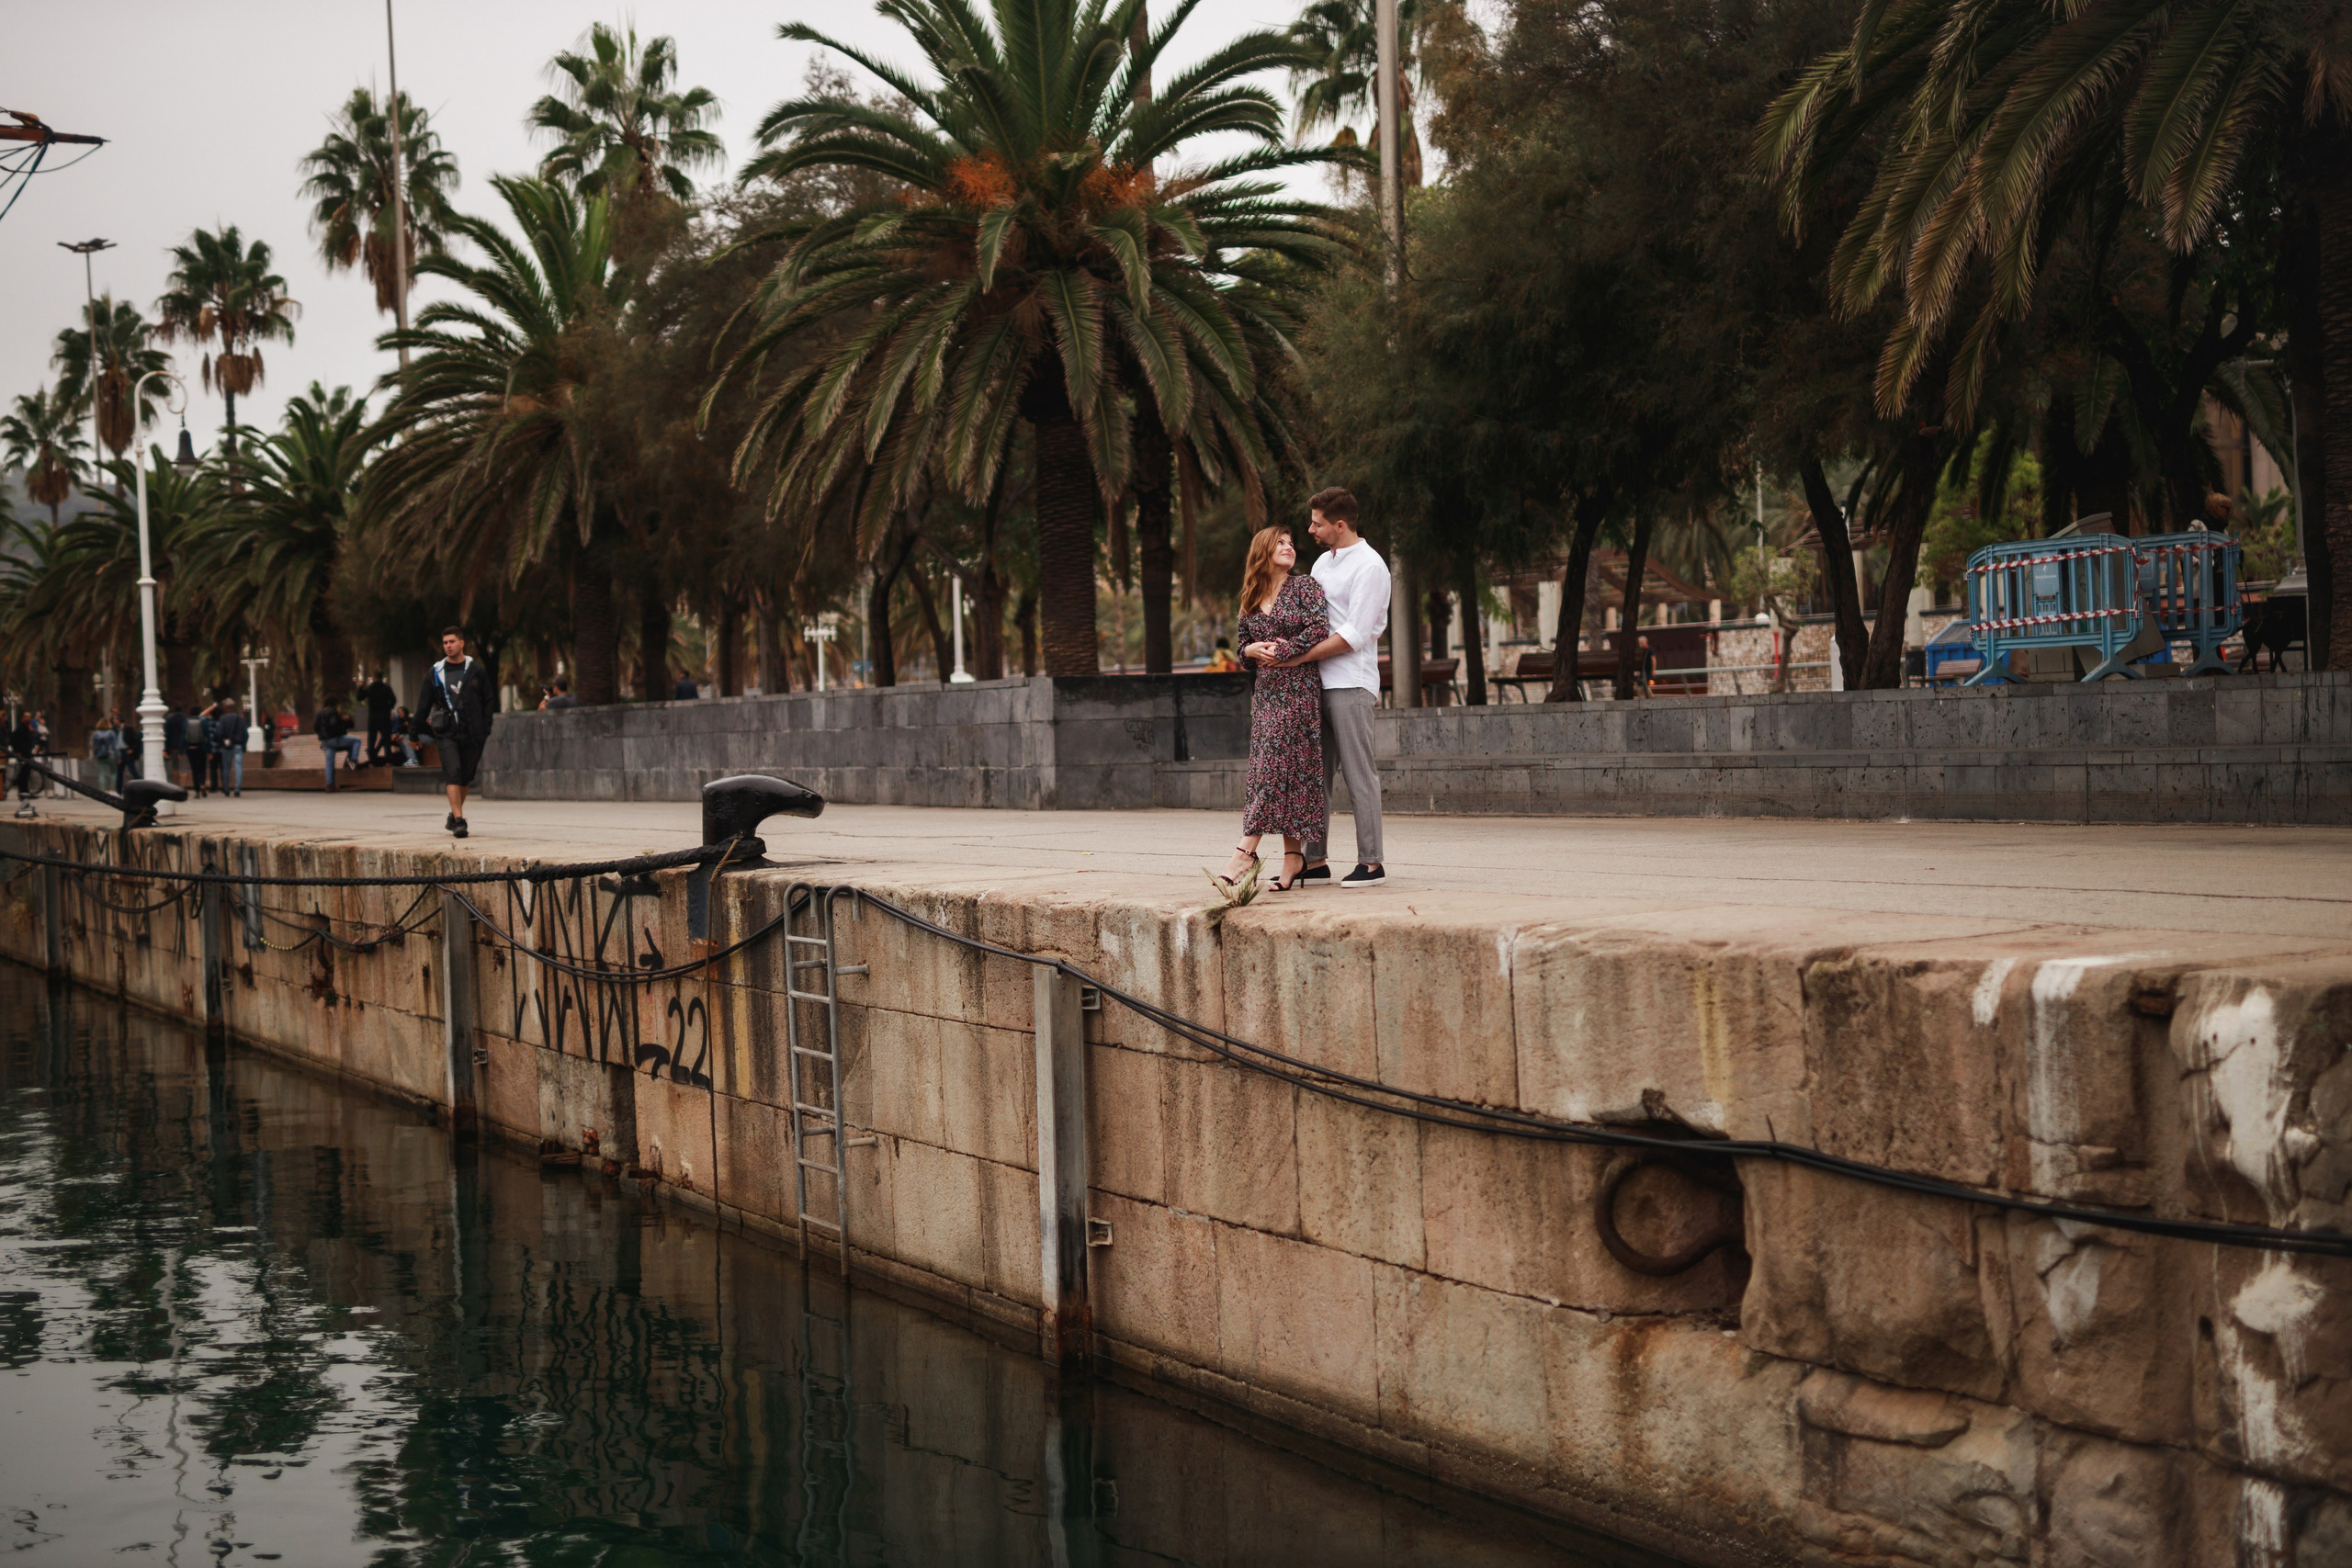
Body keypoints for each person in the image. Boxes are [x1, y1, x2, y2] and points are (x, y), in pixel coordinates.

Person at [1264, 487, 1389, 889]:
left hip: (1351, 681)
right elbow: (1307, 619)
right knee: (1314, 775)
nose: (1310, 529)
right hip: (1314, 684)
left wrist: (1299, 657)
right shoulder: (1321, 563)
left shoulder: (1370, 567)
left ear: (1340, 525)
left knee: (1358, 774)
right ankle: (1314, 861)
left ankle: (1371, 863)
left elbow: (1354, 634)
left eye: (1317, 523)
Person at [1221, 527, 1329, 893]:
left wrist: (1282, 652)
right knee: (1285, 770)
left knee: (1275, 767)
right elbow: (1242, 648)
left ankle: (1245, 849)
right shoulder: (1250, 598)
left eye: (1291, 543)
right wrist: (1251, 652)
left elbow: (1319, 629)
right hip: (1266, 694)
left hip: (1299, 688)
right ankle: (1293, 857)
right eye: (1280, 543)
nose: (1289, 548)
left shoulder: (1305, 587)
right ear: (1264, 551)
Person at [417, 626, 495, 839]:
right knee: (453, 773)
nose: (448, 646)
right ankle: (459, 821)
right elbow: (423, 704)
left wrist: (485, 728)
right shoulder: (436, 672)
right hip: (446, 732)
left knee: (464, 778)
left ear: (462, 643)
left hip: (474, 733)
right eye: (445, 643)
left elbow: (488, 701)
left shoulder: (476, 670)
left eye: (452, 642)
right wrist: (415, 733)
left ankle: (453, 814)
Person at [314, 697, 364, 788]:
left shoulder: (319, 713)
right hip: (335, 739)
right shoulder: (333, 711)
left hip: (325, 742)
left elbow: (316, 728)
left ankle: (329, 785)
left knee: (329, 763)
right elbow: (334, 725)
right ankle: (353, 760)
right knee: (357, 740)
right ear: (333, 704)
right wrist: (342, 725)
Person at [358, 671, 398, 763]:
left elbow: (359, 697)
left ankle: (372, 760)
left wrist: (361, 687)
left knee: (372, 738)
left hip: (373, 717)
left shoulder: (370, 688)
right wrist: (387, 708)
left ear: (373, 677)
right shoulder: (386, 688)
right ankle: (388, 759)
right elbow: (393, 700)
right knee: (386, 738)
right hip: (384, 716)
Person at [215, 698, 249, 796]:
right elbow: (245, 734)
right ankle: (237, 788)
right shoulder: (240, 718)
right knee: (238, 766)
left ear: (225, 707)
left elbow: (219, 733)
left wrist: (222, 743)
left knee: (226, 768)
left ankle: (226, 789)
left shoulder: (223, 719)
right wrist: (243, 744)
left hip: (227, 747)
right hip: (238, 745)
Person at [185, 704, 215, 799]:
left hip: (190, 749)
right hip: (201, 748)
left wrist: (182, 751)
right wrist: (210, 751)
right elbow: (208, 737)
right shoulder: (204, 722)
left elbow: (183, 737)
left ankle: (197, 791)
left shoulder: (186, 722)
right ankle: (202, 785)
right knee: (202, 768)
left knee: (194, 769)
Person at [89, 711, 123, 794]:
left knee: (101, 773)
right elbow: (115, 746)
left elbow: (94, 746)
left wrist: (94, 755)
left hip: (100, 755)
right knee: (113, 772)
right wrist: (118, 757)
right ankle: (112, 789)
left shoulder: (96, 734)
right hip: (111, 754)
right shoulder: (111, 733)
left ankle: (102, 790)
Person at [164, 703, 189, 788]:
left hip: (173, 746)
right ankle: (184, 787)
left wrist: (166, 749)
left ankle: (176, 786)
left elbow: (167, 734)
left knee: (175, 767)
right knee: (184, 767)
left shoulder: (169, 719)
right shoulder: (186, 719)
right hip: (185, 746)